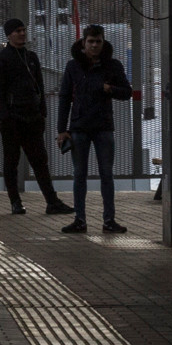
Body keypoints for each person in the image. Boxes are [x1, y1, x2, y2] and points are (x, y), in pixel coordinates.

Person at [57, 24, 134, 234]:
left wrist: (110, 89)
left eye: (98, 41)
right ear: (84, 43)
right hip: (79, 127)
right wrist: (62, 129)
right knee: (79, 174)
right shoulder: (73, 66)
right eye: (90, 41)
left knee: (106, 174)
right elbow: (64, 98)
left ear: (103, 42)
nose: (94, 45)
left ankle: (109, 220)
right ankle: (80, 219)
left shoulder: (112, 65)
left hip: (103, 127)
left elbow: (127, 92)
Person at [0, 19, 70, 216]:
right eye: (18, 31)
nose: (22, 34)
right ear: (9, 35)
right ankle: (16, 201)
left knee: (40, 161)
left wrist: (42, 113)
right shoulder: (2, 60)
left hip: (32, 118)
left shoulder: (31, 57)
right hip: (13, 119)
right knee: (12, 161)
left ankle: (52, 201)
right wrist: (5, 117)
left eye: (24, 30)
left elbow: (39, 88)